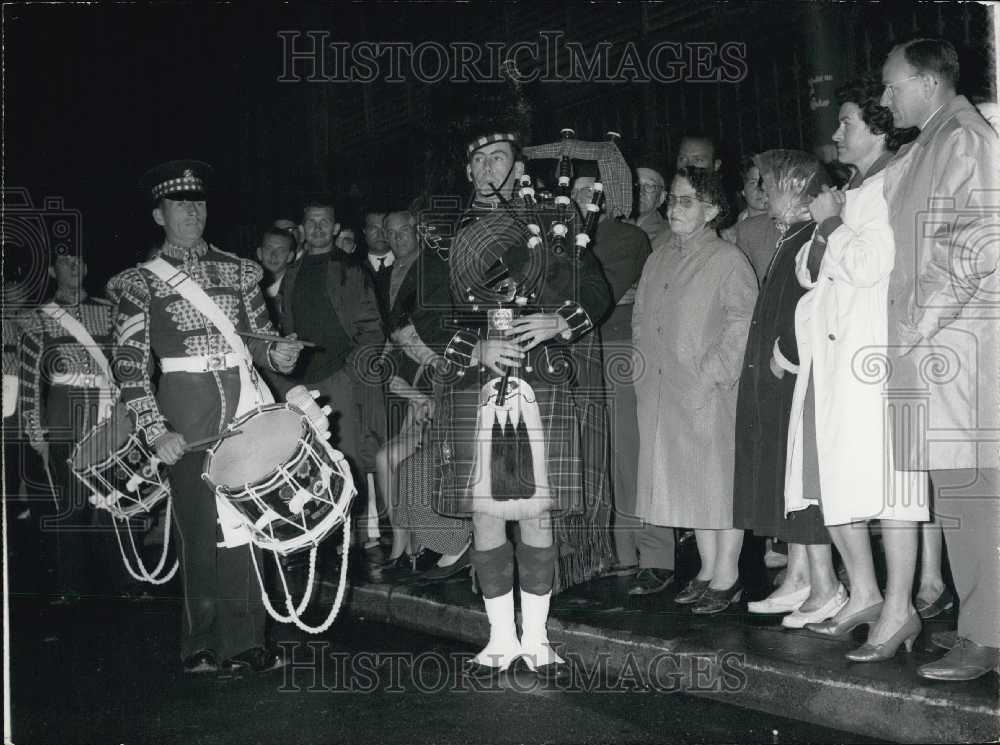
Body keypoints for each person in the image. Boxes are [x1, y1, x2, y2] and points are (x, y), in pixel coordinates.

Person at [108, 160, 303, 674]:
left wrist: (277, 353)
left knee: (246, 520)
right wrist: (156, 429)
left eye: (198, 203)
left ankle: (247, 642)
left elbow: (259, 337)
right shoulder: (137, 283)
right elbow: (129, 364)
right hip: (185, 414)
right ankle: (201, 642)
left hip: (242, 409)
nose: (192, 212)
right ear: (159, 213)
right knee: (199, 528)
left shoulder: (240, 270)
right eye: (179, 204)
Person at [434, 129, 612, 678]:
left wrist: (562, 321)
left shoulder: (553, 223)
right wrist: (474, 345)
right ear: (468, 172)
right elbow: (422, 315)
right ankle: (498, 638)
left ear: (517, 168)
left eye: (500, 159)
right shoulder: (447, 233)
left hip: (541, 381)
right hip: (475, 386)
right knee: (486, 518)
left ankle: (536, 638)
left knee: (537, 515)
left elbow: (597, 292)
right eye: (480, 159)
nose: (490, 168)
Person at [878, 38, 999, 681]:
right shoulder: (932, 140)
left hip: (958, 349)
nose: (883, 97)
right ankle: (981, 626)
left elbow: (974, 243)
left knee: (974, 491)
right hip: (939, 348)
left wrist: (915, 327)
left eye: (892, 85)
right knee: (959, 490)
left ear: (927, 82)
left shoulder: (964, 138)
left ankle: (985, 637)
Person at [634, 167, 757, 615]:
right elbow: (641, 318)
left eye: (686, 200)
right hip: (665, 391)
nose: (673, 207)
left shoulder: (727, 259)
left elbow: (741, 325)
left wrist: (712, 374)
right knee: (690, 485)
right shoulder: (659, 256)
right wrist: (643, 369)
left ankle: (728, 575)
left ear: (712, 209)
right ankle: (706, 570)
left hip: (709, 391)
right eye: (672, 198)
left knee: (718, 486)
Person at [731, 150, 842, 627]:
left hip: (791, 377)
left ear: (798, 191)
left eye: (771, 183)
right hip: (777, 377)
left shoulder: (807, 236)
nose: (763, 190)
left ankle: (824, 585)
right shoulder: (789, 234)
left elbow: (810, 302)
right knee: (782, 480)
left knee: (796, 478)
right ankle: (798, 575)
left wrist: (788, 354)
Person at [568, 166, 660, 590]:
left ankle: (637, 550)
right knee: (586, 451)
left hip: (619, 348)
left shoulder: (629, 238)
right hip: (576, 351)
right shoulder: (562, 239)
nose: (588, 197)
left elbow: (594, 294)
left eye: (594, 190)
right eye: (579, 191)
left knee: (626, 451)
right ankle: (595, 548)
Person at [18, 251, 124, 604]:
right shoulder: (37, 319)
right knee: (72, 504)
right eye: (66, 262)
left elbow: (127, 363)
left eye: (80, 261)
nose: (75, 267)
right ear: (52, 270)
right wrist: (37, 434)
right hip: (66, 418)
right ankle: (73, 585)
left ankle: (124, 581)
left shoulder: (109, 311)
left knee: (114, 498)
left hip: (108, 413)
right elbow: (30, 382)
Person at [373, 209, 472, 583]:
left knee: (400, 461)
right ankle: (402, 544)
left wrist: (427, 402)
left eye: (413, 340)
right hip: (424, 421)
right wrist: (417, 397)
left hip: (445, 431)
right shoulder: (408, 348)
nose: (410, 347)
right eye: (404, 343)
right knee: (386, 457)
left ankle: (428, 542)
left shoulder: (448, 352)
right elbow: (392, 377)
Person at [256, 226, 295, 328]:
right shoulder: (249, 289)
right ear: (259, 253)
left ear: (290, 256)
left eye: (281, 250)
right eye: (269, 248)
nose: (274, 255)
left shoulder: (298, 289)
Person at [625, 155, 670, 244]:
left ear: (661, 197)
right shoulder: (611, 225)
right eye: (636, 184)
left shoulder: (667, 236)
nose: (640, 191)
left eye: (649, 186)